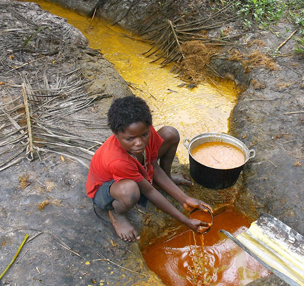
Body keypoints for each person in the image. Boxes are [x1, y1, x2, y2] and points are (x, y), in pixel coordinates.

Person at [86, 96, 213, 241]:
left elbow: (153, 164)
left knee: (170, 133)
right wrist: (186, 221)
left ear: (148, 128)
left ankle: (166, 179)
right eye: (130, 139)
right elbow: (148, 190)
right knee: (130, 191)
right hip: (108, 189)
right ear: (116, 135)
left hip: (138, 168)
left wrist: (184, 199)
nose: (139, 143)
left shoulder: (146, 134)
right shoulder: (118, 161)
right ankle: (117, 214)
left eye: (144, 134)